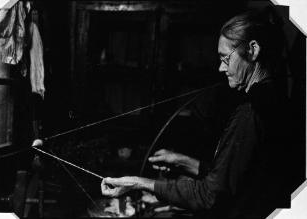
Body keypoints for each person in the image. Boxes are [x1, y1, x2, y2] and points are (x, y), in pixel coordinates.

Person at [101, 9, 292, 219]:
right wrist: (181, 160)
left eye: (225, 58)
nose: (221, 68)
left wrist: (138, 183)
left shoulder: (253, 111)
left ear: (253, 50)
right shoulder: (274, 99)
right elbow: (230, 177)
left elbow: (208, 196)